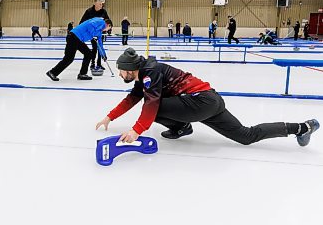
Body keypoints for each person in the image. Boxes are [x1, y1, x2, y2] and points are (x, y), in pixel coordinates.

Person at [95, 48, 319, 147]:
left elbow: (151, 103)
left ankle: (182, 128)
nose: (120, 74)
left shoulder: (150, 73)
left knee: (153, 108)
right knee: (246, 136)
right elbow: (131, 99)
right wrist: (109, 117)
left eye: (121, 71)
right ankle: (301, 127)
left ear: (129, 68)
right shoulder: (145, 74)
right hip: (211, 100)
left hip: (199, 102)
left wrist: (136, 130)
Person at [46, 18, 112, 81]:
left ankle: (82, 74)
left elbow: (100, 45)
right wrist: (92, 34)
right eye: (109, 28)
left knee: (88, 54)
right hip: (73, 37)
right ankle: (52, 72)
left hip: (79, 40)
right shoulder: (100, 21)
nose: (107, 31)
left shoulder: (99, 32)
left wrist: (103, 55)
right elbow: (90, 24)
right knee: (69, 59)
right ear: (108, 25)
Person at [80, 0, 110, 70]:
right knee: (95, 48)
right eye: (100, 4)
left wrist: (108, 30)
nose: (101, 5)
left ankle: (99, 64)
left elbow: (108, 21)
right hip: (92, 34)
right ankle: (92, 63)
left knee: (100, 47)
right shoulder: (89, 11)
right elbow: (82, 22)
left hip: (100, 33)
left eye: (102, 4)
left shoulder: (103, 11)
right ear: (95, 3)